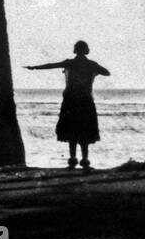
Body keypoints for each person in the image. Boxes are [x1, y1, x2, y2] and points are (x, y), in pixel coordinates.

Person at [26, 40, 110, 170]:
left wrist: (34, 67)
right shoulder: (91, 64)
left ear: (75, 50)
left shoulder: (69, 63)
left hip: (70, 100)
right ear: (86, 50)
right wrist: (94, 70)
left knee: (71, 131)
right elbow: (106, 72)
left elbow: (51, 65)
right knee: (85, 132)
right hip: (86, 100)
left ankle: (72, 160)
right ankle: (85, 160)